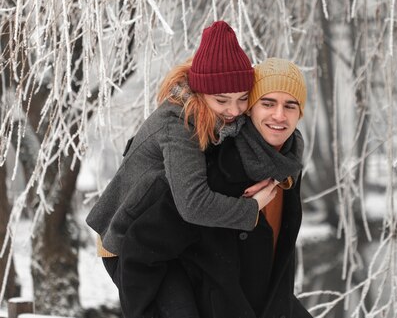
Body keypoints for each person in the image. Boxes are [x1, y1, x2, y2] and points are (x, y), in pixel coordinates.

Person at [86, 21, 278, 317]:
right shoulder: (178, 126)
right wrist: (251, 209)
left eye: (242, 99)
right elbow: (193, 204)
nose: (235, 110)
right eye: (222, 101)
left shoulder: (217, 118)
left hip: (166, 235)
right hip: (125, 239)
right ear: (201, 93)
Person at [117, 58, 313, 318]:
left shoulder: (287, 168)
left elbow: (277, 264)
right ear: (250, 109)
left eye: (290, 105)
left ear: (300, 113)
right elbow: (141, 247)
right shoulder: (216, 167)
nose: (279, 115)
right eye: (268, 103)